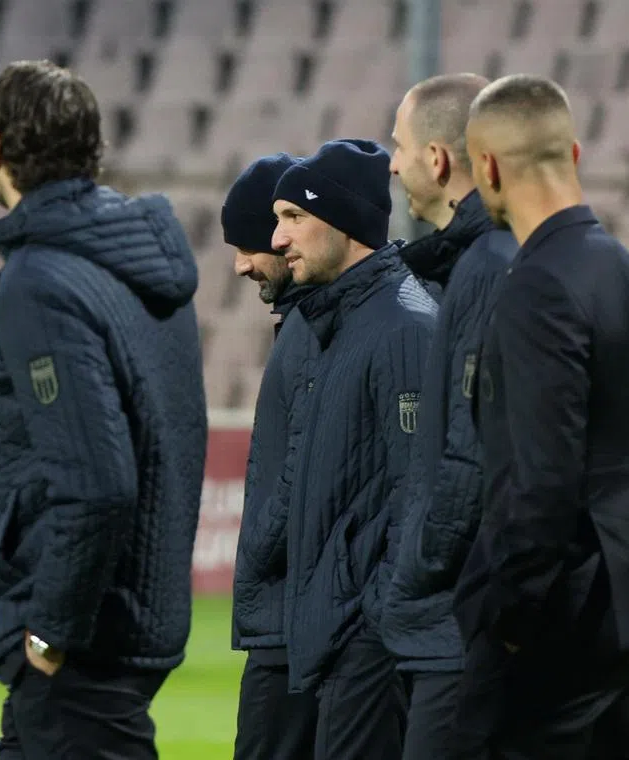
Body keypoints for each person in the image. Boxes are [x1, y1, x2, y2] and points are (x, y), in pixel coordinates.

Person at [0, 60, 208, 759]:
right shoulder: (142, 263)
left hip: (84, 638)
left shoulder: (40, 280)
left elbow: (98, 484)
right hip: (144, 605)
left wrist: (51, 628)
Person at [454, 73, 629, 759]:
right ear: (572, 155)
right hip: (627, 608)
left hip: (558, 623)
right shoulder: (624, 271)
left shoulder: (538, 285)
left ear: (485, 166)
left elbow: (541, 475)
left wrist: (511, 613)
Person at [265, 139, 436, 759]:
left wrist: (373, 616)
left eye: (293, 218)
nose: (277, 240)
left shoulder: (404, 326)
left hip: (371, 638)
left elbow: (423, 493)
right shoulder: (340, 323)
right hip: (340, 627)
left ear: (343, 223)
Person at [382, 73, 518, 760]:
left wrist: (419, 565)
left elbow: (467, 457)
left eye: (400, 146)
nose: (394, 163)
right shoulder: (484, 261)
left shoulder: (484, 268)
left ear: (438, 160)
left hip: (458, 622)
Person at [223, 153, 321, 760]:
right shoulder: (306, 324)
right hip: (295, 614)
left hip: (294, 619)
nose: (238, 266)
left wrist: (260, 546)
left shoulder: (318, 330)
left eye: (247, 245)